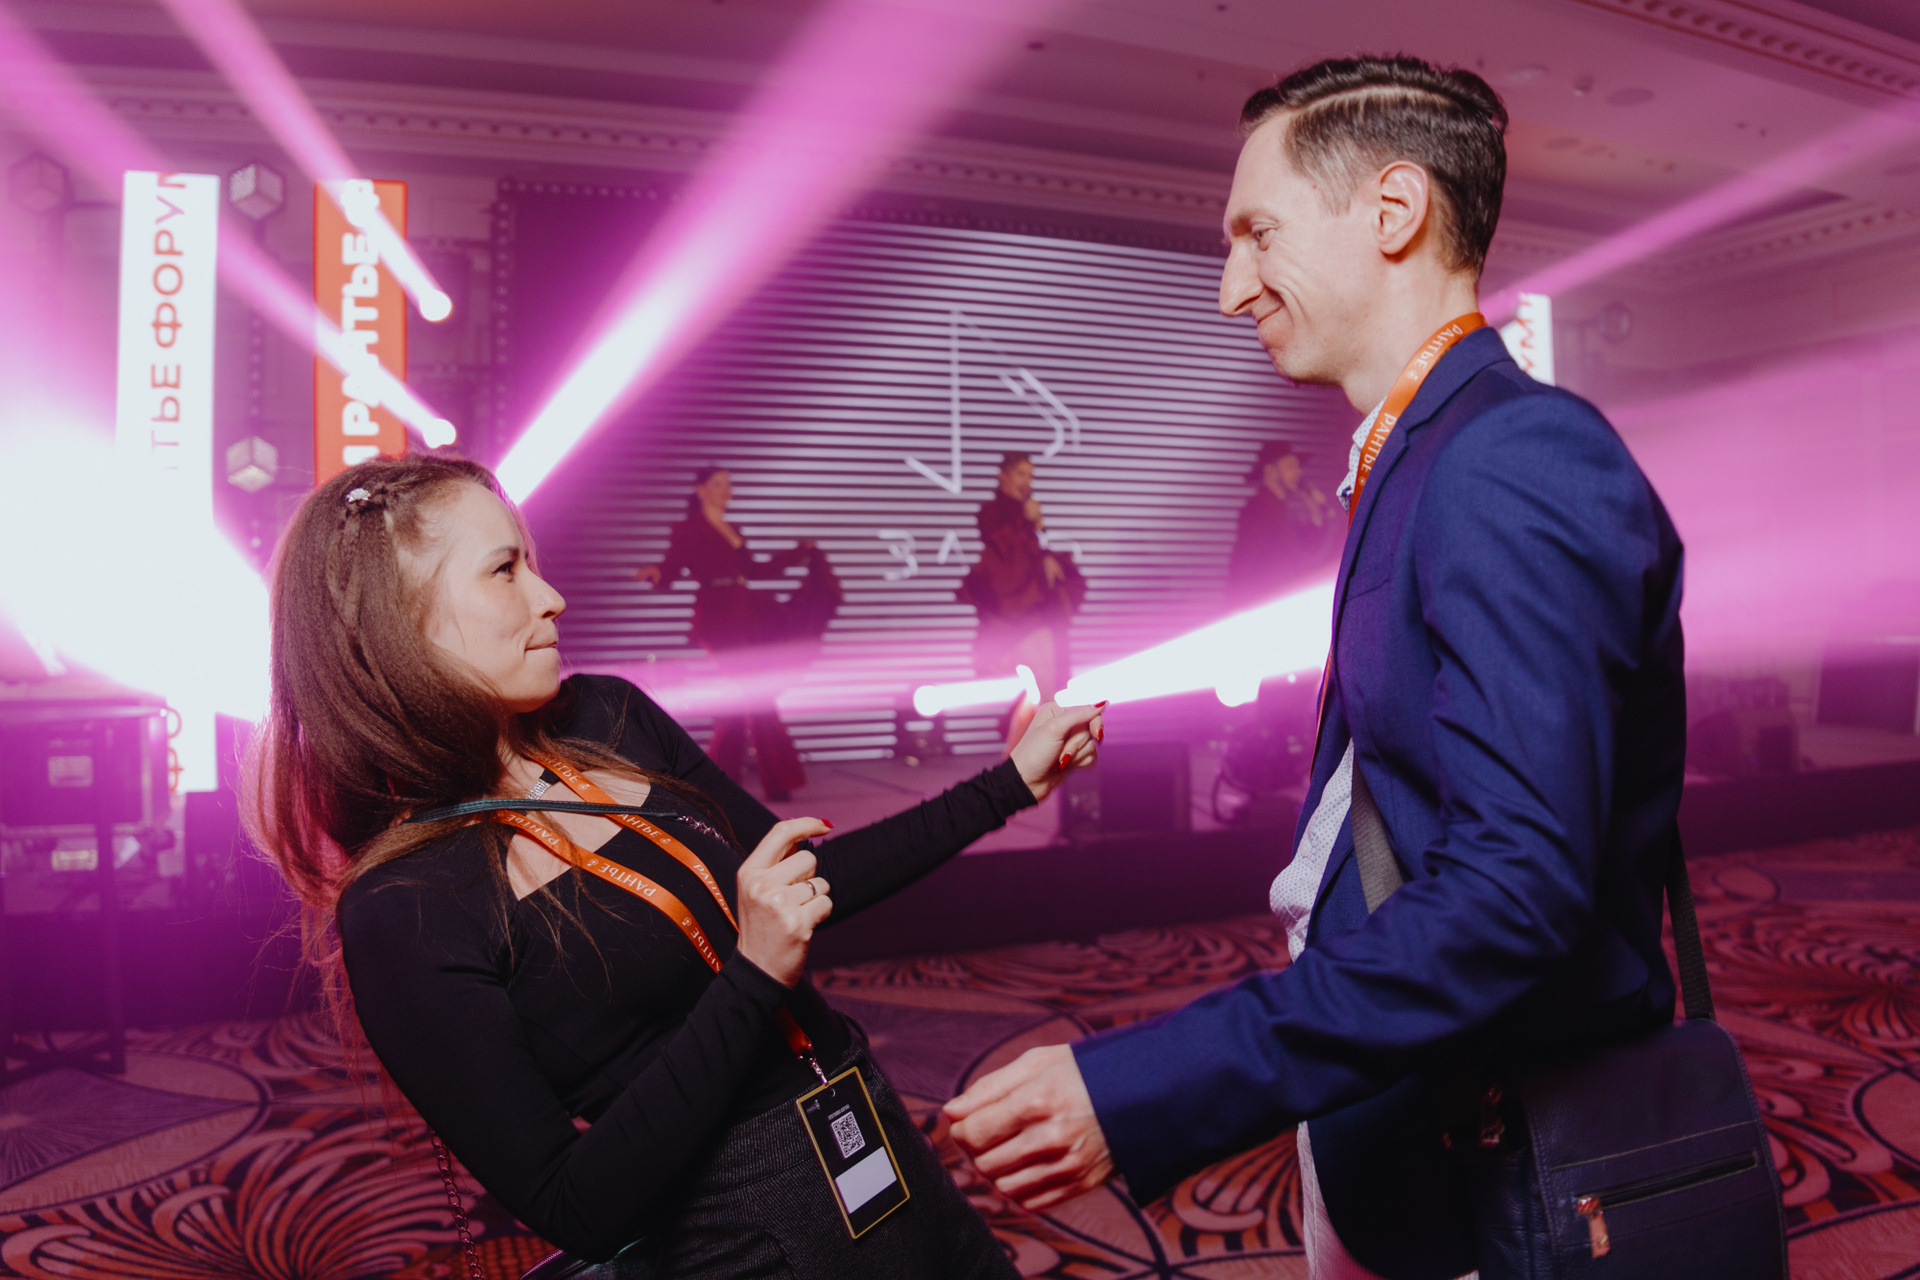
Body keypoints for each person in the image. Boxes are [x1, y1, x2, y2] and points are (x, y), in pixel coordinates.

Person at [945, 55, 1687, 1280]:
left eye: (1257, 233)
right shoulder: (1419, 450)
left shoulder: (1514, 454)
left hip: (1502, 1156)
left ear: (1393, 212)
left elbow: (1515, 892)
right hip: (1390, 1096)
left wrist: (1149, 1080)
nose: (1231, 287)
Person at [248, 455, 1105, 1279]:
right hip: (746, 1229)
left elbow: (804, 879)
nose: (549, 596)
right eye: (505, 571)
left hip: (867, 1127)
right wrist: (752, 975)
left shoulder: (608, 716)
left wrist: (1011, 784)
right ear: (401, 627)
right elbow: (573, 1205)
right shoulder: (405, 902)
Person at [634, 466, 834, 801]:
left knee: (743, 697)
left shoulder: (733, 528)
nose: (726, 490)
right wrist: (657, 572)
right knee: (756, 694)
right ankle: (776, 779)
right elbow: (672, 565)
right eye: (718, 484)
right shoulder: (689, 528)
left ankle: (717, 779)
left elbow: (756, 570)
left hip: (747, 615)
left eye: (728, 484)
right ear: (700, 490)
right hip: (718, 619)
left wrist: (799, 552)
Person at [961, 452, 1086, 750]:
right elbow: (1004, 555)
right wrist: (1025, 519)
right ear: (1004, 475)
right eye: (1021, 474)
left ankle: (1017, 762)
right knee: (1044, 692)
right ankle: (1040, 756)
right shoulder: (991, 513)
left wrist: (1044, 549)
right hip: (1010, 614)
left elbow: (1034, 550)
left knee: (1043, 692)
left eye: (1030, 475)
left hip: (1035, 611)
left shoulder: (1028, 514)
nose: (1026, 481)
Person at [1226, 439, 1335, 606]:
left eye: (1297, 467)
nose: (1298, 473)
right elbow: (1243, 563)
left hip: (1285, 600)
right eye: (1290, 467)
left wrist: (1316, 513)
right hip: (1265, 603)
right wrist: (1239, 605)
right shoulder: (1258, 510)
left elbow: (1308, 548)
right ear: (1270, 471)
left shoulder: (1285, 510)